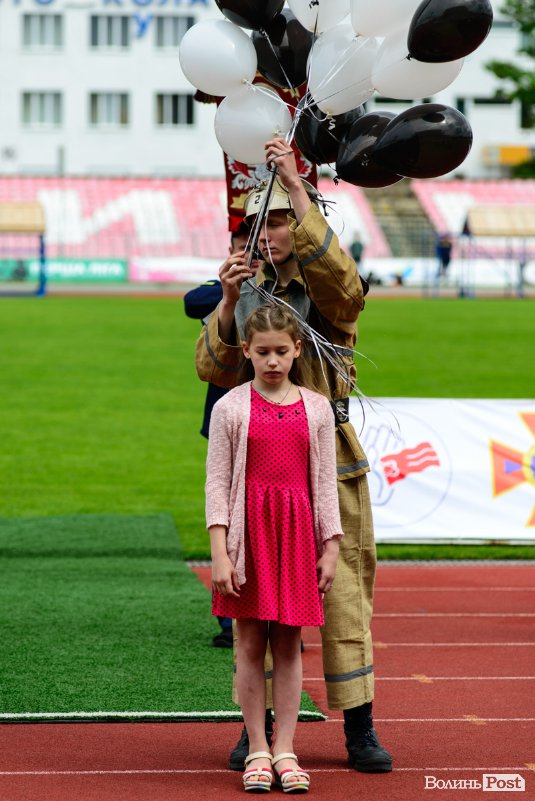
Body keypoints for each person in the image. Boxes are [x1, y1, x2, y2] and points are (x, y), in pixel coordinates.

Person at [196, 136, 393, 774]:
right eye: (261, 221)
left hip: (327, 453)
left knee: (344, 597)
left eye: (280, 218)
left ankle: (358, 728)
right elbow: (213, 368)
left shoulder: (329, 277)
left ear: (304, 220)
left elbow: (348, 292)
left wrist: (295, 184)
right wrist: (228, 303)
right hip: (260, 466)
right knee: (256, 603)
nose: (270, 230)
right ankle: (255, 734)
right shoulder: (245, 288)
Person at [206, 303, 342, 793]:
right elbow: (217, 485)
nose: (272, 361)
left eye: (281, 351)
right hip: (248, 536)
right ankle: (257, 749)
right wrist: (220, 552)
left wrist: (330, 545)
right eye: (262, 352)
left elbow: (325, 484)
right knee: (247, 641)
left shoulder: (317, 408)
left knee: (288, 643)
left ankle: (286, 748)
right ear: (246, 351)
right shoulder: (230, 407)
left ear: (297, 350)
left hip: (296, 535)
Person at [184, 224, 260, 649]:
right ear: (230, 250)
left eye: (255, 250)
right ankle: (229, 618)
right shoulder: (223, 288)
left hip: (273, 414)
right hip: (226, 414)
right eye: (240, 248)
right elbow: (190, 301)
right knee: (226, 516)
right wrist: (232, 291)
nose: (248, 256)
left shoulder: (277, 291)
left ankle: (272, 610)